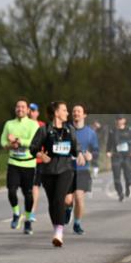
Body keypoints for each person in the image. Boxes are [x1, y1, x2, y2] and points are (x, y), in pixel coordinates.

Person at [29, 101, 81, 246]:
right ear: (57, 113)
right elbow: (33, 148)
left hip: (65, 170)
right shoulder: (44, 130)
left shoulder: (70, 129)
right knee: (53, 202)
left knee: (59, 198)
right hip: (48, 171)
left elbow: (76, 148)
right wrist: (41, 155)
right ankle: (57, 228)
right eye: (64, 110)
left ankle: (59, 232)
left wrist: (82, 154)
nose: (67, 113)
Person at [0, 99, 40, 234]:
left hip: (28, 164)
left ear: (28, 110)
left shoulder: (33, 125)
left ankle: (28, 220)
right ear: (15, 109)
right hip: (14, 163)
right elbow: (3, 142)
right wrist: (11, 145)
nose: (20, 109)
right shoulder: (9, 124)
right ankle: (16, 214)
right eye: (18, 107)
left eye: (23, 107)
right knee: (11, 190)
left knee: (28, 195)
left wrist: (17, 140)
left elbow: (34, 142)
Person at [65, 103, 98, 235]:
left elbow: (96, 151)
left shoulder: (90, 133)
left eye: (79, 111)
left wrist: (90, 155)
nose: (76, 113)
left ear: (84, 115)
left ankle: (77, 224)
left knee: (79, 197)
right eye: (74, 111)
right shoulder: (66, 129)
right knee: (67, 200)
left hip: (83, 170)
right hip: (66, 169)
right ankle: (67, 209)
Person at [107, 115, 131, 201]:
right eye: (117, 119)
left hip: (127, 156)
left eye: (120, 119)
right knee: (116, 176)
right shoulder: (112, 131)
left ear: (124, 120)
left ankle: (128, 187)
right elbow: (109, 143)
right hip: (116, 156)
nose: (119, 121)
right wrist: (108, 151)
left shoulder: (130, 130)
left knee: (128, 176)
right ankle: (120, 193)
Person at [29, 103, 46, 221]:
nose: (31, 112)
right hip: (25, 161)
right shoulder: (21, 125)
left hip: (39, 161)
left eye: (33, 110)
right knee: (28, 188)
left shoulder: (42, 126)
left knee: (35, 186)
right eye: (30, 110)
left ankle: (32, 212)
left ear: (37, 113)